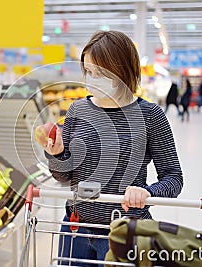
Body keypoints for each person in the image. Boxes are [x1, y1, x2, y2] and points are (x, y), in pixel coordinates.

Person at [39, 30, 183, 266]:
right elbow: (64, 177)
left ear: (124, 71)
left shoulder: (150, 116)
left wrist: (147, 193)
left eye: (101, 73)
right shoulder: (77, 111)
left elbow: (174, 178)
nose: (92, 79)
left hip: (125, 231)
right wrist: (56, 155)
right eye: (89, 72)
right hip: (76, 228)